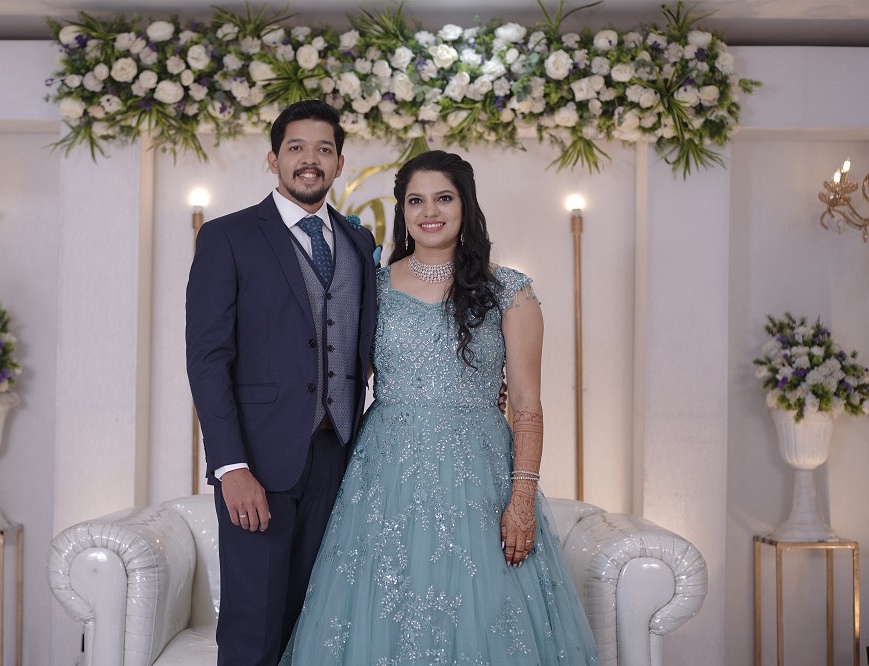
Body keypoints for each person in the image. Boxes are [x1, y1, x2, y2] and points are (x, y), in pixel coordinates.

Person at [280, 150, 599, 664]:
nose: (429, 211)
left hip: (479, 477)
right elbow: (339, 379)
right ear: (402, 211)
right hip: (383, 478)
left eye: (444, 198)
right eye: (416, 201)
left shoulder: (509, 291)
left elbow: (526, 404)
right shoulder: (371, 287)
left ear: (466, 205)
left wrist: (521, 501)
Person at [185, 99, 378, 666]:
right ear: (273, 159)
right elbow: (207, 359)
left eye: (323, 149)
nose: (309, 160)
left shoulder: (360, 243)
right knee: (254, 625)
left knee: (320, 624)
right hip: (258, 464)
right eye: (296, 147)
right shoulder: (228, 237)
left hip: (338, 458)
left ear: (339, 163)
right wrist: (231, 467)